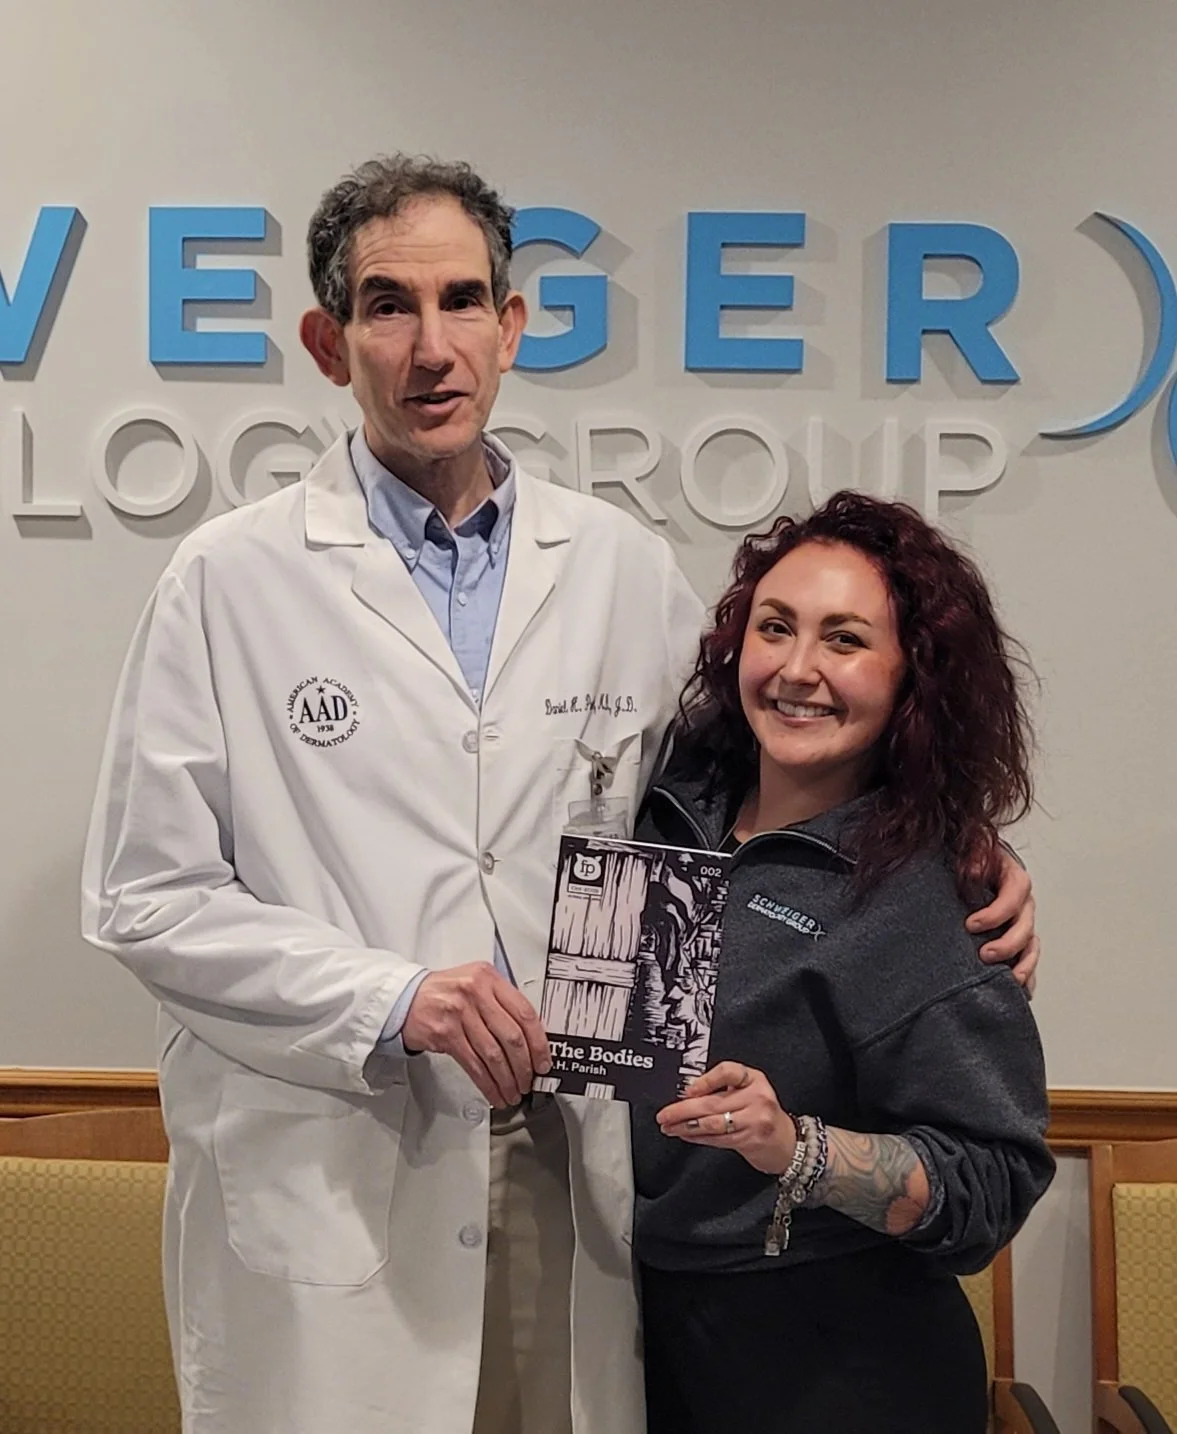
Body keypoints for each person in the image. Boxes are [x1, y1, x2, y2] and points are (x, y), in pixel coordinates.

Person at [80, 155, 1039, 1434]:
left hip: (572, 1163)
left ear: (513, 325)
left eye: (464, 300)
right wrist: (392, 999)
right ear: (327, 343)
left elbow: (762, 767)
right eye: (388, 306)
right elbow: (145, 897)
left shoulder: (615, 568)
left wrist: (958, 842)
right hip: (335, 1148)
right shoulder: (225, 584)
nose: (432, 347)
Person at [632, 492, 1056, 1434]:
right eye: (775, 627)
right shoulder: (665, 804)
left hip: (835, 1362)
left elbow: (991, 1181)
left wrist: (798, 1147)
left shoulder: (930, 899)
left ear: (914, 678)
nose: (797, 670)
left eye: (845, 640)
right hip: (639, 1324)